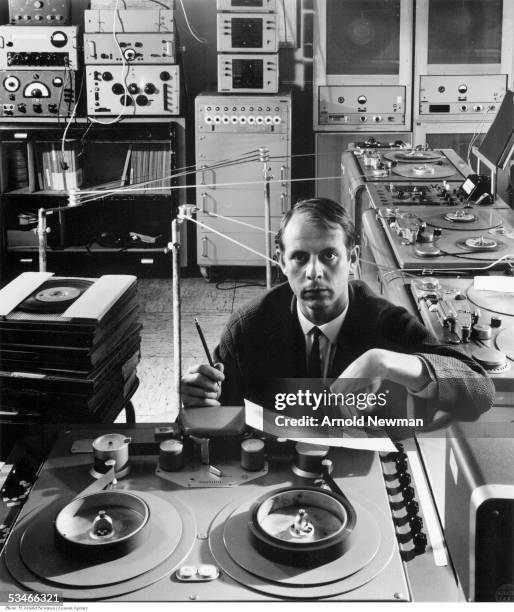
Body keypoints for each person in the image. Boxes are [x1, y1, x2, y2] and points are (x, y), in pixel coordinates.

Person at [181, 198, 494, 422]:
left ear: (353, 259)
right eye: (300, 257)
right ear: (281, 262)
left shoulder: (386, 321)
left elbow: (481, 390)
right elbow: (223, 413)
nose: (314, 271)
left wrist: (383, 361)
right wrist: (202, 400)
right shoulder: (248, 326)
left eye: (329, 255)